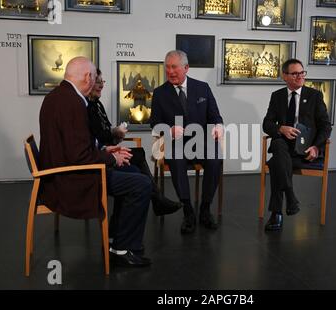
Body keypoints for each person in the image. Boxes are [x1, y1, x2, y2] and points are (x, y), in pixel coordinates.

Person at [39, 56, 152, 267]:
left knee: (134, 174)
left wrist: (105, 149)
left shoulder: (59, 96)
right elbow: (79, 155)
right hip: (72, 180)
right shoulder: (72, 103)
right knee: (141, 184)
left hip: (64, 173)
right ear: (88, 77)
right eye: (95, 77)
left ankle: (117, 239)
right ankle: (122, 249)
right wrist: (111, 157)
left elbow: (74, 147)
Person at [86, 68, 183, 217]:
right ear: (89, 83)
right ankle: (157, 199)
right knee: (137, 162)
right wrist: (114, 134)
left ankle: (157, 199)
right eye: (98, 82)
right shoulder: (87, 107)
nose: (101, 85)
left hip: (106, 149)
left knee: (139, 154)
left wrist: (116, 134)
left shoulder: (97, 104)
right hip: (100, 156)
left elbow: (104, 130)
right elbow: (97, 136)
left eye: (102, 82)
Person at [150, 50, 224, 234]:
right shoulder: (159, 93)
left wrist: (218, 126)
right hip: (176, 142)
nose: (170, 71)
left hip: (201, 141)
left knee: (215, 158)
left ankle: (205, 209)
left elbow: (215, 115)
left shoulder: (203, 88)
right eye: (167, 67)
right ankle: (188, 210)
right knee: (176, 157)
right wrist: (169, 130)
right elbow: (154, 123)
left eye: (174, 67)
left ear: (186, 68)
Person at [262, 58, 332, 231]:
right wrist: (281, 129)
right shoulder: (277, 96)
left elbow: (325, 126)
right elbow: (267, 124)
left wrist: (317, 147)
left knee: (277, 163)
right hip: (284, 145)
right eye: (295, 74)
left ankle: (276, 214)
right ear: (284, 76)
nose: (300, 76)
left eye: (302, 73)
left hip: (305, 149)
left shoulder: (314, 95)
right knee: (278, 147)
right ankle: (291, 197)